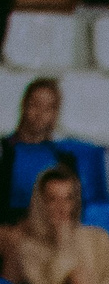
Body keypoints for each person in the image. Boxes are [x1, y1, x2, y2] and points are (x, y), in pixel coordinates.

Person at [0, 79, 67, 219]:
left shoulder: (63, 158)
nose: (40, 113)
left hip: (49, 227)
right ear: (24, 106)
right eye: (35, 105)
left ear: (55, 114)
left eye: (48, 108)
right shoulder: (4, 150)